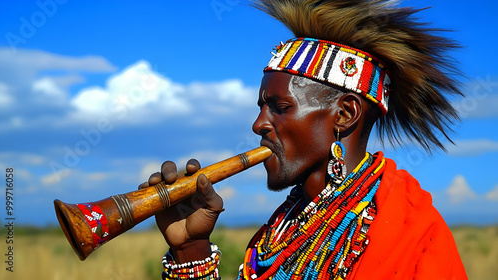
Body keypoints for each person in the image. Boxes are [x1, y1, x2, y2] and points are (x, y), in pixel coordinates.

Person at [139, 0, 468, 279]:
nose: (258, 125)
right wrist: (190, 251)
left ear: (344, 114)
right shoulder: (278, 232)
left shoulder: (412, 233)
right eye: (261, 108)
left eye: (280, 108)